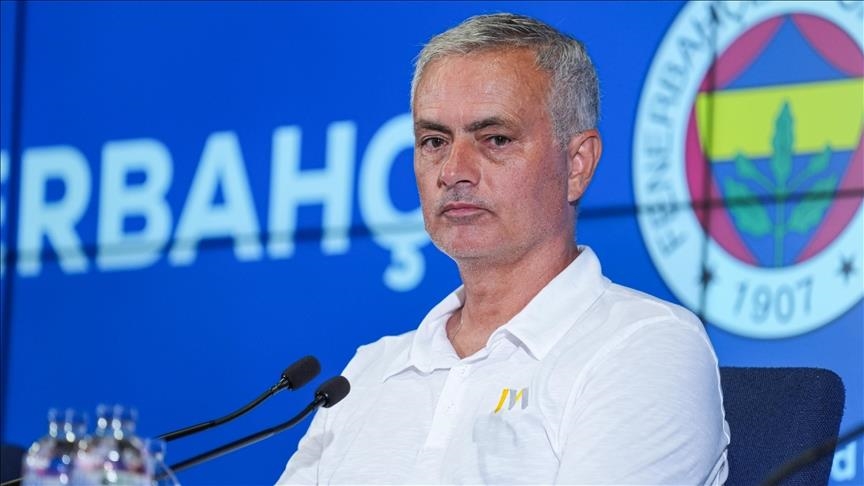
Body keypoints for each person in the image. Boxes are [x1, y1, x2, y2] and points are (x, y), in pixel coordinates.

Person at [278, 12, 729, 485]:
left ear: (577, 164)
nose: (453, 171)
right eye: (434, 141)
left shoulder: (644, 346)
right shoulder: (367, 373)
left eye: (495, 139)